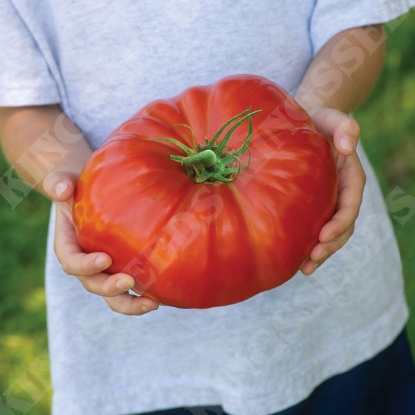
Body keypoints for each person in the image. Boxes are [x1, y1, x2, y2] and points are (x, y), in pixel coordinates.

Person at [1, 1, 415, 414]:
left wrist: (312, 114)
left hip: (334, 318)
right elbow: (19, 106)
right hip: (138, 362)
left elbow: (358, 23)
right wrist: (77, 186)